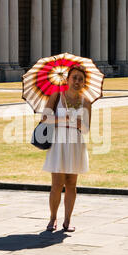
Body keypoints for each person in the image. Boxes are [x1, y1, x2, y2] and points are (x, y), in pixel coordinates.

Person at [41, 65, 91, 232]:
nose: (77, 81)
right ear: (67, 79)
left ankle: (67, 220)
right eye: (74, 78)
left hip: (75, 144)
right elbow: (45, 119)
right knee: (57, 184)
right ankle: (53, 218)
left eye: (80, 79)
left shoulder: (86, 102)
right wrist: (64, 120)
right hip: (59, 142)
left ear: (84, 83)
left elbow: (86, 129)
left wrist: (79, 124)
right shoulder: (56, 96)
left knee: (71, 184)